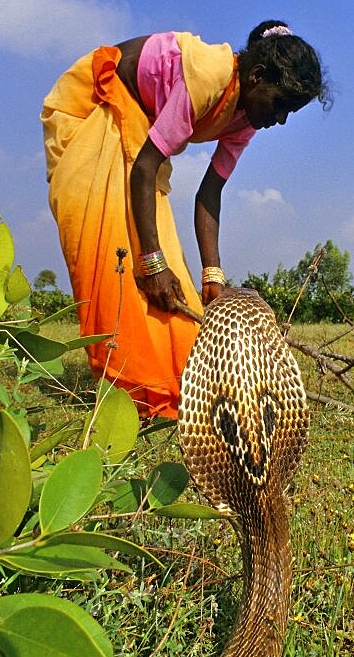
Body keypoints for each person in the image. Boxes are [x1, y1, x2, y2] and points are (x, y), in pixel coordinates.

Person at [41, 21, 329, 418]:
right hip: (100, 102)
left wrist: (213, 277)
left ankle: (158, 383)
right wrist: (152, 263)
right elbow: (145, 168)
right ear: (257, 76)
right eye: (280, 104)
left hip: (139, 133)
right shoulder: (210, 73)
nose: (280, 119)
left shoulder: (246, 119)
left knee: (164, 273)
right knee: (116, 255)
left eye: (289, 113)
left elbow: (209, 194)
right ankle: (126, 381)